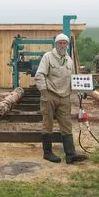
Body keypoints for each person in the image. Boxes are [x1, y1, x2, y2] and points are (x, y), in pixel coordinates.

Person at [34, 33, 88, 164]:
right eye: (60, 43)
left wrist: (80, 91)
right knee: (48, 123)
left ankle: (70, 154)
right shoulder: (48, 57)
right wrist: (44, 93)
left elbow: (73, 78)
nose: (63, 45)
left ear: (67, 45)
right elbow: (39, 75)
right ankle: (47, 153)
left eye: (65, 43)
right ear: (56, 44)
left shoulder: (69, 60)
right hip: (50, 95)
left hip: (65, 97)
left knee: (66, 124)